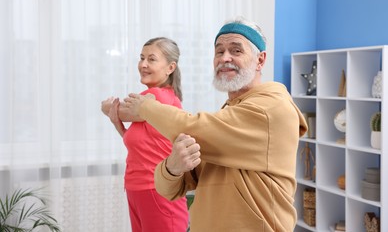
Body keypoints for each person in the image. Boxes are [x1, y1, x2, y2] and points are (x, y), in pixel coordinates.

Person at [123, 17, 308, 231]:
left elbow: (190, 127)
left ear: (260, 60)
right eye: (219, 51)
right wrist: (172, 168)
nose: (224, 58)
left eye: (236, 51)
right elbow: (169, 189)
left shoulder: (272, 109)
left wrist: (144, 107)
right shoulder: (228, 115)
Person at [101, 37, 189, 232]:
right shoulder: (147, 101)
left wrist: (108, 107)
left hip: (157, 192)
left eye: (151, 59)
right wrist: (117, 122)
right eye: (141, 58)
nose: (143, 64)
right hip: (138, 189)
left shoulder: (157, 97)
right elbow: (139, 145)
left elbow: (118, 109)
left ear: (170, 67)